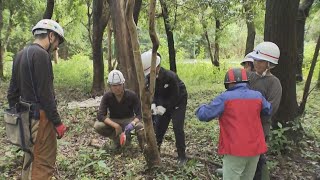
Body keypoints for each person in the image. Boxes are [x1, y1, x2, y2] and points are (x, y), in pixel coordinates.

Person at [7, 19, 67, 179]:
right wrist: (57, 123)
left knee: (30, 158)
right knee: (43, 163)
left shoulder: (19, 55)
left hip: (24, 117)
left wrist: (18, 116)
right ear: (51, 36)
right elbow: (46, 96)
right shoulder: (41, 55)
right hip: (41, 119)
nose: (57, 46)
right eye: (58, 41)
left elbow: (12, 93)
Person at [196, 68, 272, 180]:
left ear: (229, 83)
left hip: (235, 149)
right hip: (255, 149)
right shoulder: (257, 96)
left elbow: (204, 115)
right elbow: (268, 109)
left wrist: (201, 107)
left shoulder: (225, 98)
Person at [141, 50, 188, 166]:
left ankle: (182, 156)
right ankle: (156, 153)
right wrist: (154, 105)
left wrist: (164, 107)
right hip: (163, 103)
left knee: (177, 127)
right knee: (159, 127)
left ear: (157, 66)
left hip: (178, 102)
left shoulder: (170, 76)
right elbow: (153, 94)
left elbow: (175, 95)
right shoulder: (149, 79)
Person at [247, 41, 282, 180]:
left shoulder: (274, 83)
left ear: (269, 64)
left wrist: (252, 110)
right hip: (244, 125)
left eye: (260, 61)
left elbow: (271, 108)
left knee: (257, 160)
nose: (256, 64)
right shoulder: (249, 77)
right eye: (255, 60)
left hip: (260, 127)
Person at [94, 70, 145, 151]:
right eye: (114, 85)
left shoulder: (131, 95)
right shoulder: (107, 96)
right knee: (98, 126)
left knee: (140, 126)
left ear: (123, 84)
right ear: (110, 86)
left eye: (119, 85)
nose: (117, 88)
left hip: (129, 120)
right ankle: (116, 139)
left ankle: (143, 148)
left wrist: (133, 123)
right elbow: (100, 115)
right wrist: (116, 125)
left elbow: (139, 113)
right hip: (114, 120)